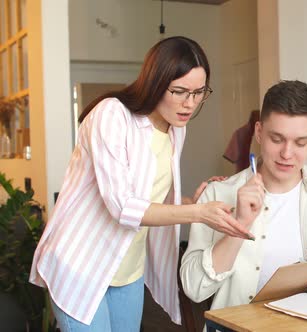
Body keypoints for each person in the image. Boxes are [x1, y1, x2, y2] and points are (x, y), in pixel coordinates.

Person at [29, 36, 254, 331]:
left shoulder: (175, 129)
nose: (190, 103)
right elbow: (123, 206)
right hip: (81, 265)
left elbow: (147, 197)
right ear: (156, 82)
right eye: (180, 91)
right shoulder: (111, 115)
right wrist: (198, 213)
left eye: (199, 92)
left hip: (127, 268)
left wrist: (189, 203)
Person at [180, 80, 307, 310]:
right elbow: (194, 288)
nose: (287, 153)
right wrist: (240, 223)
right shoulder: (217, 193)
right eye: (276, 139)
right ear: (259, 132)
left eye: (300, 142)